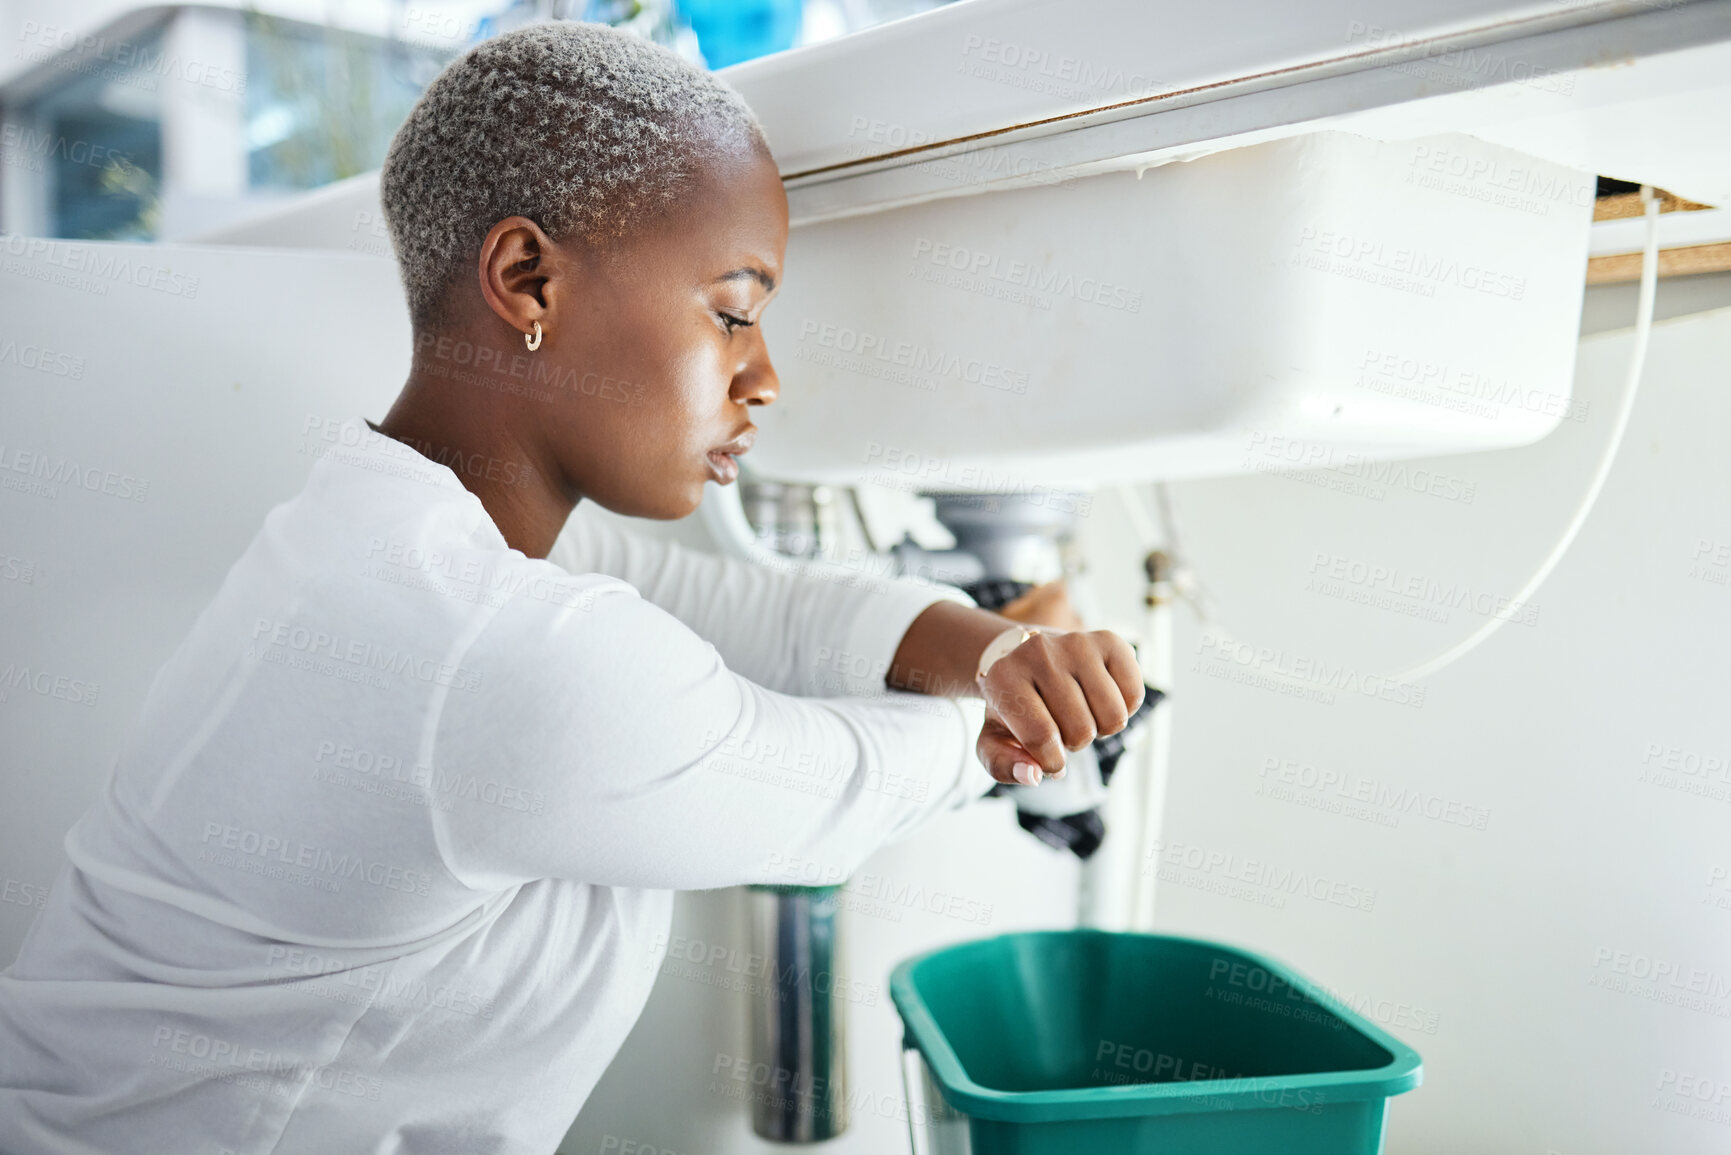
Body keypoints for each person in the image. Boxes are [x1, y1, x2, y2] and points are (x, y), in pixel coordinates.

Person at [0, 21, 1144, 1154]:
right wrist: (1004, 726)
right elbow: (832, 794)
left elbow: (781, 616)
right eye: (734, 311)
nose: (766, 375)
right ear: (527, 279)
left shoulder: (395, 534)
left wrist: (999, 653)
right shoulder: (483, 642)